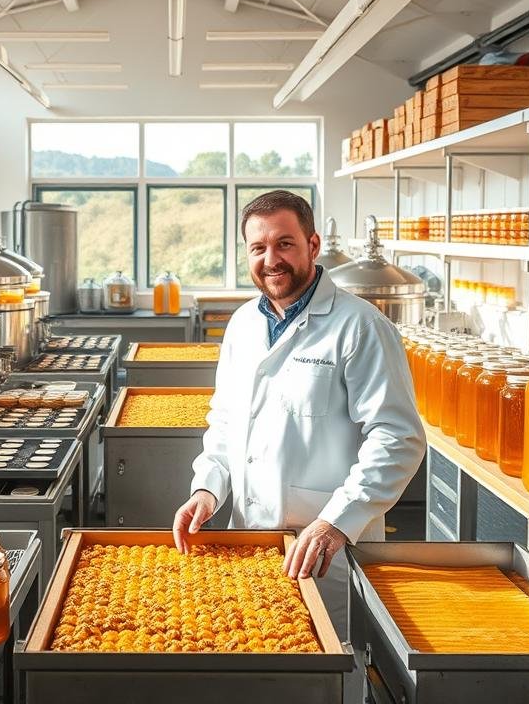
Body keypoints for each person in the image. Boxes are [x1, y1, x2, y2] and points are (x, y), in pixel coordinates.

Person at [172, 190, 425, 663]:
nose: (272, 259)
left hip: (326, 550)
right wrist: (207, 488)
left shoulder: (360, 326)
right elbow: (225, 420)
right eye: (258, 248)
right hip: (250, 543)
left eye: (285, 244)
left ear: (312, 244)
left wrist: (336, 521)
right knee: (258, 668)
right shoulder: (243, 324)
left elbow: (397, 438)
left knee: (329, 671)